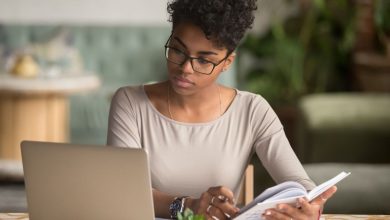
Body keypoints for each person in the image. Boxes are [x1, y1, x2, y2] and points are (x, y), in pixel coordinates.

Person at [107, 0, 337, 219]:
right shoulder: (130, 103)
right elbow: (120, 191)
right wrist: (188, 207)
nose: (186, 68)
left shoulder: (252, 110)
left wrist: (310, 208)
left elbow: (299, 183)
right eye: (178, 50)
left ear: (227, 62)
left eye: (204, 61)